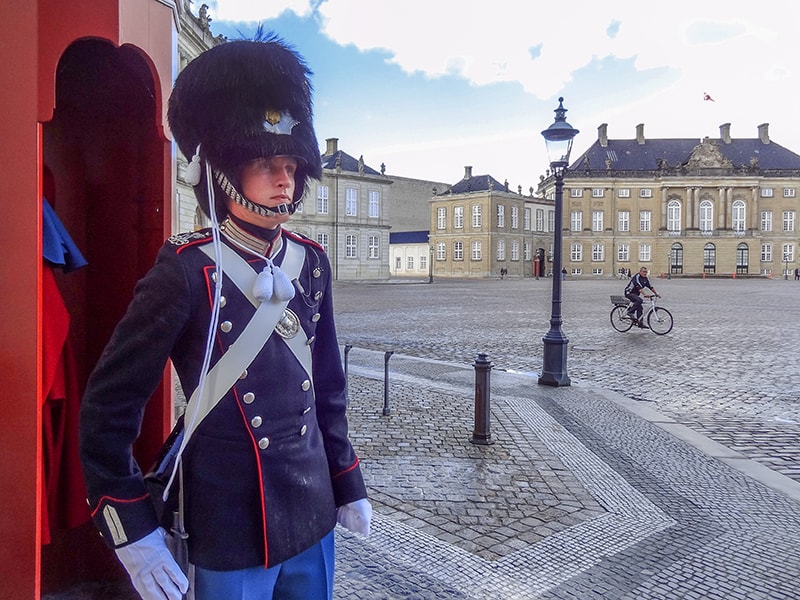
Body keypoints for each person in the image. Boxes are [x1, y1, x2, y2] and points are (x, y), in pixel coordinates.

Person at [79, 36, 371, 600]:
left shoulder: (310, 261)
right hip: (231, 524)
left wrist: (345, 478)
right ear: (219, 170)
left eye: (291, 164)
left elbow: (328, 388)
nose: (285, 179)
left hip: (311, 511)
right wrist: (132, 530)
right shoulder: (184, 270)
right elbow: (108, 409)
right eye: (265, 164)